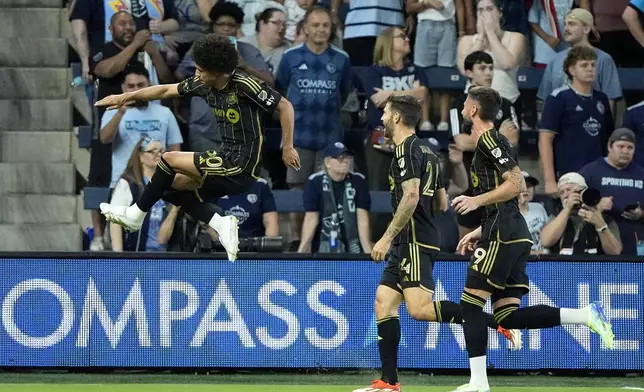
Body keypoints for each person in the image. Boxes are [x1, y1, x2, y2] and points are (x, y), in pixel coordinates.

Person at [449, 86, 614, 392]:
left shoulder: (489, 139)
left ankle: (479, 382)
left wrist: (476, 202)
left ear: (473, 110)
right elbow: (507, 202)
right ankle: (584, 315)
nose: (461, 109)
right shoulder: (489, 141)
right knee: (506, 315)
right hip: (507, 231)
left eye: (464, 104)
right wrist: (479, 229)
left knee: (471, 306)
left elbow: (516, 183)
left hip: (504, 233)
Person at [356, 95, 519, 392]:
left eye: (385, 113)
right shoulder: (429, 152)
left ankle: (491, 322)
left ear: (396, 117)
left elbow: (412, 196)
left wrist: (386, 236)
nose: (381, 118)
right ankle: (389, 382)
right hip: (416, 238)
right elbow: (441, 203)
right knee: (384, 301)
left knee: (419, 310)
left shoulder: (405, 151)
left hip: (414, 240)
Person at [95, 34, 301, 262]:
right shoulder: (203, 83)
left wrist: (288, 146)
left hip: (243, 164)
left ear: (217, 71)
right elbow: (164, 91)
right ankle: (220, 222)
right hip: (224, 159)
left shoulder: (245, 85)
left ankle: (135, 214)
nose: (197, 73)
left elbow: (285, 106)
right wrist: (125, 97)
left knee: (169, 159)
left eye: (201, 70)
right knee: (167, 188)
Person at [450, 50, 519, 239]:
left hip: (501, 180)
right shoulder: (458, 105)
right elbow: (462, 142)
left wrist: (478, 139)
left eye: (491, 68)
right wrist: (498, 135)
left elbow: (513, 139)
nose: (488, 72)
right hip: (471, 181)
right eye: (482, 68)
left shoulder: (505, 104)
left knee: (501, 239)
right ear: (469, 72)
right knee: (466, 243)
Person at [538, 46, 614, 196]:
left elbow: (608, 140)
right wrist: (550, 180)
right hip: (569, 174)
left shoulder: (601, 99)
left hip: (598, 175)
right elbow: (545, 140)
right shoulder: (558, 98)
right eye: (584, 65)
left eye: (593, 65)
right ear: (572, 70)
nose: (590, 69)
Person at [99, 65, 183, 188]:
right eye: (131, 86)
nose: (136, 90)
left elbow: (175, 150)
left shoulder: (165, 113)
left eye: (140, 85)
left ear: (149, 85)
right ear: (123, 87)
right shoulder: (112, 111)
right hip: (123, 182)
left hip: (158, 182)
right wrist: (120, 112)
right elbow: (104, 139)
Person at [536, 8, 622, 113]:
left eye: (572, 24)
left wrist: (606, 127)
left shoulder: (604, 59)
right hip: (559, 123)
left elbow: (610, 100)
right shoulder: (555, 60)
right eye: (565, 24)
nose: (566, 29)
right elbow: (546, 99)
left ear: (586, 29)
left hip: (591, 122)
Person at [579, 128, 644, 256]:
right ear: (609, 146)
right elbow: (571, 202)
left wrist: (641, 214)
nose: (625, 151)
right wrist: (596, 206)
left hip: (634, 241)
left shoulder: (641, 174)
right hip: (599, 241)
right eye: (621, 146)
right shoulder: (591, 172)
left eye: (630, 148)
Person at [298, 143, 372, 254]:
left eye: (347, 157)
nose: (346, 161)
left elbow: (362, 219)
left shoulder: (358, 181)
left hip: (353, 247)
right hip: (322, 247)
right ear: (327, 163)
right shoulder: (315, 182)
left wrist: (368, 254)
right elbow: (311, 219)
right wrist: (301, 253)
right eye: (340, 158)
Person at [457, 0, 527, 116]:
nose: (485, 14)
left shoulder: (516, 37)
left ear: (500, 12)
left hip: (507, 102)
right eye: (480, 10)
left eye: (489, 9)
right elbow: (466, 69)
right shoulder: (467, 41)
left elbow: (507, 64)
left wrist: (491, 34)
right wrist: (480, 36)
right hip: (474, 104)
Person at [110, 139, 181, 252]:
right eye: (153, 151)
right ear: (141, 157)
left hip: (165, 256)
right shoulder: (128, 184)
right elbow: (115, 220)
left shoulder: (171, 186)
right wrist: (119, 255)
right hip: (136, 255)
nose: (159, 154)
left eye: (162, 151)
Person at [539, 172, 623, 256]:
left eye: (569, 190)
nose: (565, 195)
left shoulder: (604, 219)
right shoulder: (556, 217)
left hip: (594, 267)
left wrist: (601, 225)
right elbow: (545, 241)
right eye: (561, 192)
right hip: (562, 267)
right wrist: (567, 209)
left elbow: (615, 252)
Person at [239, 8, 290, 75]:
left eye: (284, 24)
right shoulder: (243, 44)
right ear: (262, 24)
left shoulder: (289, 51)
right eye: (277, 23)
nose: (282, 27)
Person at [518, 171, 549, 254]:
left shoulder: (539, 207)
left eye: (529, 186)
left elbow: (548, 233)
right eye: (521, 186)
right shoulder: (506, 213)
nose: (526, 189)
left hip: (542, 257)